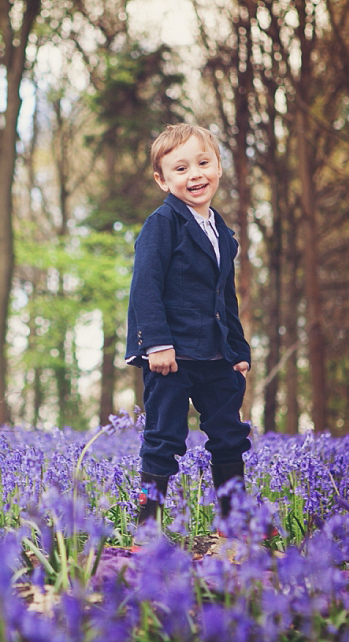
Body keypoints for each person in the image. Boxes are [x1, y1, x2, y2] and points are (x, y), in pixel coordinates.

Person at [125, 123, 252, 530]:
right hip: (171, 357)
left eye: (203, 163)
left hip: (217, 356)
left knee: (229, 435)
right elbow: (145, 287)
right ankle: (148, 522)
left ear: (218, 167)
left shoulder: (223, 234)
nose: (195, 175)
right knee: (163, 440)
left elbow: (225, 297)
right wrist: (156, 344)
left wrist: (239, 350)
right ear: (162, 180)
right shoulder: (162, 225)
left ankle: (234, 520)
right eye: (180, 169)